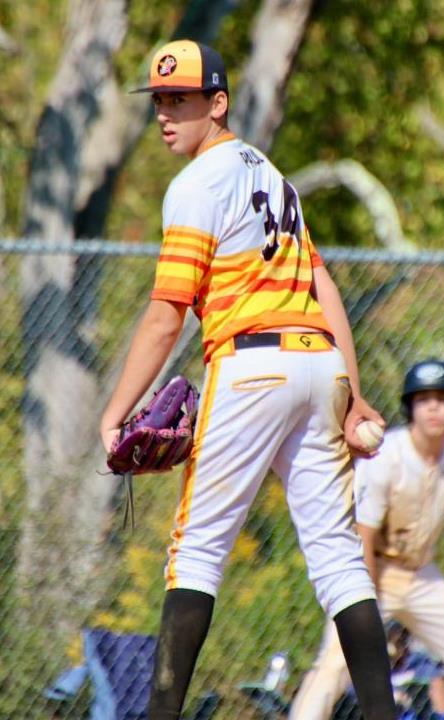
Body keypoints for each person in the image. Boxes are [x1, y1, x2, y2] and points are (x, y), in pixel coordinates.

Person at [100, 39, 397, 720]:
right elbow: (321, 283)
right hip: (318, 364)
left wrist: (115, 413)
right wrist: (352, 394)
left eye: (181, 99)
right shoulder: (272, 175)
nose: (165, 113)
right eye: (160, 100)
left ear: (218, 103)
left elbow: (165, 316)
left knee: (195, 554)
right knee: (339, 561)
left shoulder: (195, 185)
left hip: (252, 367)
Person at [289, 359, 444, 720]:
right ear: (410, 408)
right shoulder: (387, 456)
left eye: (442, 399)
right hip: (371, 569)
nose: (433, 407)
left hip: (421, 576)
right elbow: (365, 535)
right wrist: (365, 600)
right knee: (335, 664)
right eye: (423, 399)